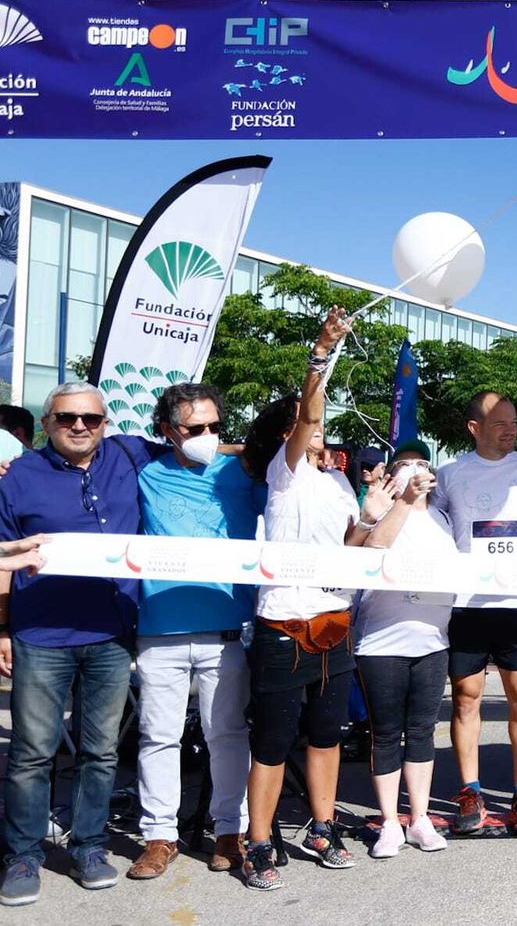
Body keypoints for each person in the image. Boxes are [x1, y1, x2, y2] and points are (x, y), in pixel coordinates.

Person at [240, 307, 394, 890]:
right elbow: (308, 410)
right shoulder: (286, 473)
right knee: (273, 743)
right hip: (284, 627)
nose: (321, 433)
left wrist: (373, 514)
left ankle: (322, 828)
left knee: (327, 737)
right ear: (289, 436)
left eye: (324, 431)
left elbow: (350, 546)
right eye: (311, 427)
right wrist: (321, 354)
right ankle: (259, 840)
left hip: (335, 624)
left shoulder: (335, 481)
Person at [0, 382, 166, 905]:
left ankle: (89, 845)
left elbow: (194, 445)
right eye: (67, 417)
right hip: (40, 634)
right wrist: (1, 629)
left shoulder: (126, 454)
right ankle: (22, 854)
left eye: (91, 419)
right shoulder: (18, 475)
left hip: (111, 634)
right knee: (32, 752)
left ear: (105, 423)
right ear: (46, 423)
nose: (79, 426)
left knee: (100, 750)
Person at [127, 383, 266, 881]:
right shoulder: (143, 471)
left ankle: (230, 830)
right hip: (159, 628)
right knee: (156, 738)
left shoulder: (243, 472)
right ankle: (159, 836)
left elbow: (287, 468)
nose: (208, 436)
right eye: (194, 428)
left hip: (227, 626)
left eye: (214, 426)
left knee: (226, 736)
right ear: (166, 430)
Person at [430, 391, 517, 833]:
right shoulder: (450, 474)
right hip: (467, 607)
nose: (511, 429)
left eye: (514, 421)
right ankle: (470, 790)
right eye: (500, 422)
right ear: (474, 428)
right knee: (466, 699)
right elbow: (430, 528)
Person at [352, 441, 453, 858]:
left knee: (422, 731)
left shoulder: (444, 519)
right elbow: (373, 551)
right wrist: (402, 502)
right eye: (403, 466)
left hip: (433, 641)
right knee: (386, 732)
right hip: (381, 642)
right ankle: (390, 822)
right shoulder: (383, 516)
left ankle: (422, 817)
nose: (413, 471)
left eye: (420, 465)